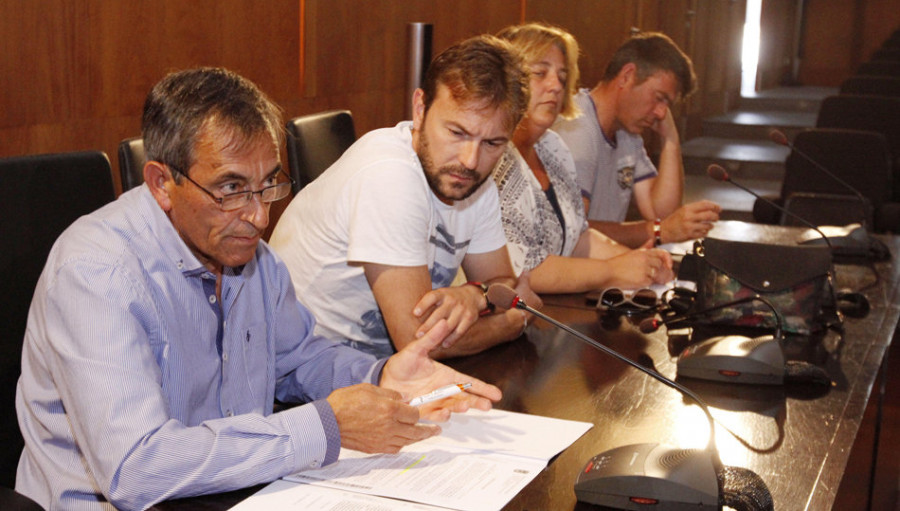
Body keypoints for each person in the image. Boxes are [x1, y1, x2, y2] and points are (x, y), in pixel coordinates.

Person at [15, 67, 501, 511]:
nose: (259, 217)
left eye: (269, 184)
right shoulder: (96, 271)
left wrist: (381, 375)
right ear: (162, 183)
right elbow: (136, 469)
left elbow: (298, 361)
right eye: (230, 189)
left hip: (237, 494)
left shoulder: (252, 260)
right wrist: (326, 426)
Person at [269, 35, 539, 360]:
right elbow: (422, 341)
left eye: (493, 143)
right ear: (420, 108)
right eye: (457, 133)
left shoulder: (474, 184)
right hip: (298, 380)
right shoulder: (389, 174)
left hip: (376, 371)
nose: (470, 160)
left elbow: (500, 281)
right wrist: (515, 320)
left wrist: (475, 294)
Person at [493, 23, 673, 294]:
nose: (555, 86)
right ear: (504, 81)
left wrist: (638, 262)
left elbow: (578, 237)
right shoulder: (490, 155)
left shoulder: (553, 148)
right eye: (540, 73)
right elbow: (521, 269)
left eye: (562, 77)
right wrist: (613, 270)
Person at [553, 31, 721, 248]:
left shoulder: (627, 133)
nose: (661, 113)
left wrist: (670, 138)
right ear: (626, 76)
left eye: (667, 105)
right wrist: (658, 231)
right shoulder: (577, 129)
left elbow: (661, 213)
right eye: (659, 98)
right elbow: (571, 232)